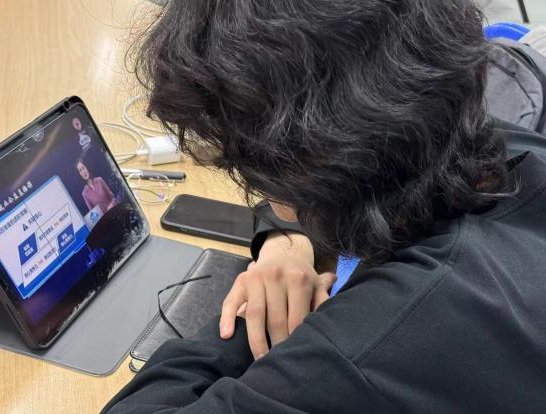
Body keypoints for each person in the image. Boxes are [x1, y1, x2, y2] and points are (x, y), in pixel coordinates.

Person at [103, 0, 546, 412]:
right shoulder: (495, 145)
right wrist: (285, 242)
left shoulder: (368, 344)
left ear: (310, 168)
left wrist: (250, 314)